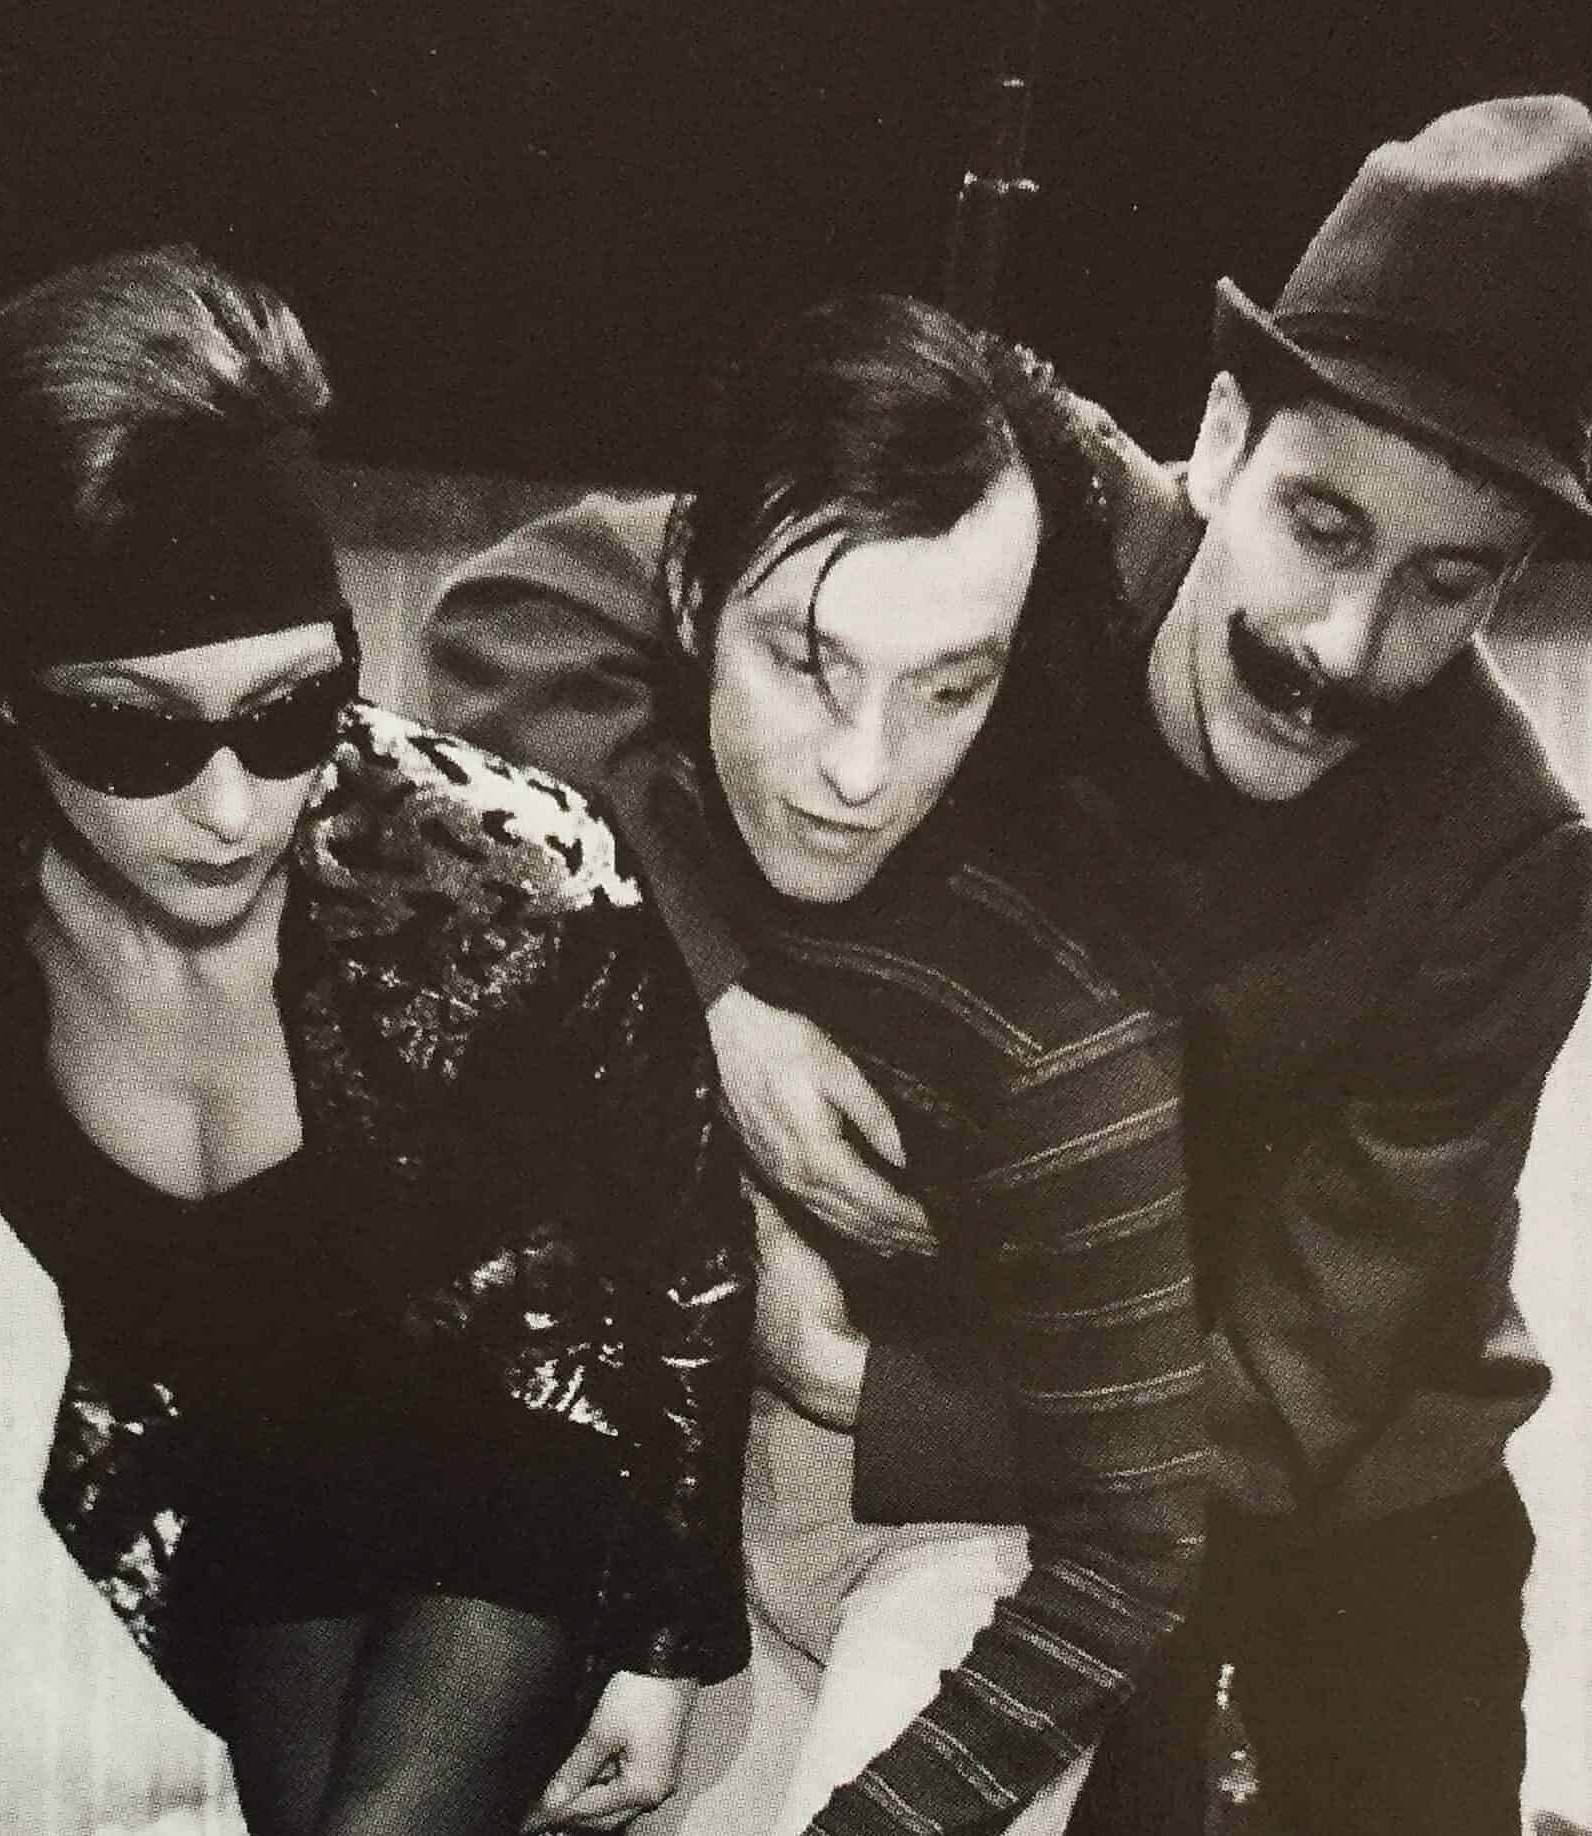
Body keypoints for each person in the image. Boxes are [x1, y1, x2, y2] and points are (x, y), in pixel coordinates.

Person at [433, 95, 1592, 1836]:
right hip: (991, 1424)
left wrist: (861, 1387)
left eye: (1448, 582)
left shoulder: (1514, 865)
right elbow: (526, 616)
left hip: (1316, 1487)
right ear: (1218, 440)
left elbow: (1282, 1408)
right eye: (1321, 527)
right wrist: (716, 1002)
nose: (1345, 641)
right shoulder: (1029, 524)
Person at [0, 245, 755, 1836]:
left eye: (293, 710)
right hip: (263, 1454)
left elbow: (686, 1252)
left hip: (531, 1428)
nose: (230, 808)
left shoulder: (513, 878)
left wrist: (666, 1644)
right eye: (129, 733)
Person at [429, 292, 1211, 1836]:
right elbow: (498, 616)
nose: (863, 770)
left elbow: (1131, 1542)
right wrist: (651, 1600)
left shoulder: (1061, 1016)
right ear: (690, 595)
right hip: (659, 1457)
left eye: (948, 687)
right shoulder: (581, 828)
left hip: (959, 1534)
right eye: (808, 662)